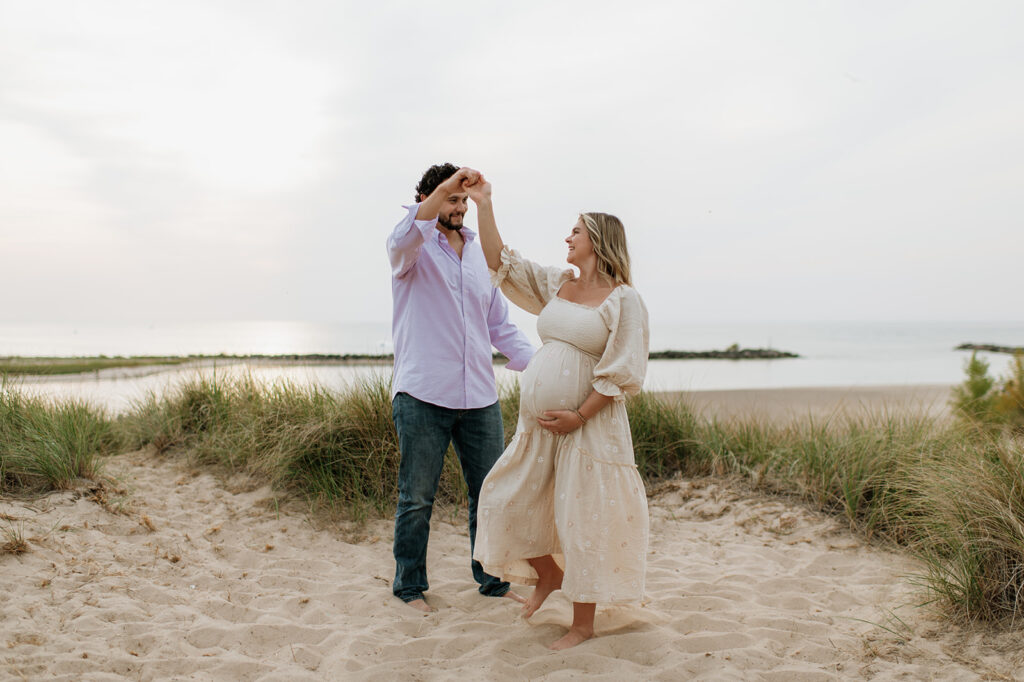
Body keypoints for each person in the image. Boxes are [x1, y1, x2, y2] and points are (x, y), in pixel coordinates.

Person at [465, 175, 650, 650]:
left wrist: (580, 415)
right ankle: (547, 574)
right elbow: (500, 262)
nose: (567, 238)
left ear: (598, 241)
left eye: (576, 232)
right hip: (541, 429)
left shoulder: (623, 299)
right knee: (501, 497)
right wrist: (484, 203)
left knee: (582, 518)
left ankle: (583, 624)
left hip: (589, 429)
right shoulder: (557, 284)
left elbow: (623, 370)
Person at [386, 163, 536, 613]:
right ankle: (409, 587)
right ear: (432, 198)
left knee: (489, 495)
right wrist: (445, 189)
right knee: (417, 498)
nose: (459, 207)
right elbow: (406, 236)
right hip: (422, 394)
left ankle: (492, 582)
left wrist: (544, 366)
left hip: (480, 398)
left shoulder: (476, 254)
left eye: (463, 201)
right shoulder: (411, 244)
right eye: (452, 199)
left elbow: (499, 325)